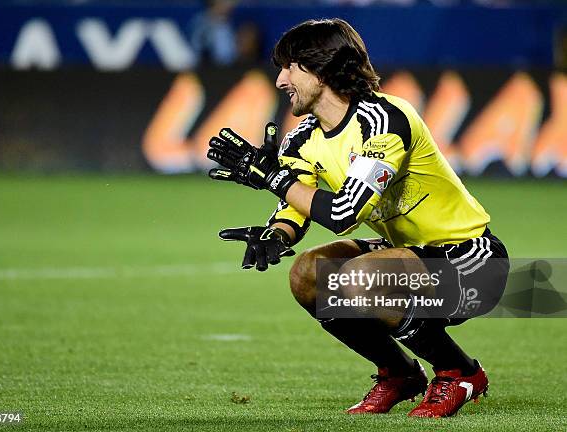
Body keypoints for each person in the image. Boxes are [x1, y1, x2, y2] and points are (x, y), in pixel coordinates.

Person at [206, 18, 509, 418]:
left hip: (473, 262)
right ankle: (400, 374)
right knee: (309, 274)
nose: (280, 81)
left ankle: (460, 372)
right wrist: (277, 234)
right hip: (407, 257)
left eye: (289, 67)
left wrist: (272, 178)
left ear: (321, 68)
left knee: (361, 277)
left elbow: (344, 212)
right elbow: (296, 204)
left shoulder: (384, 119)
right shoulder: (301, 138)